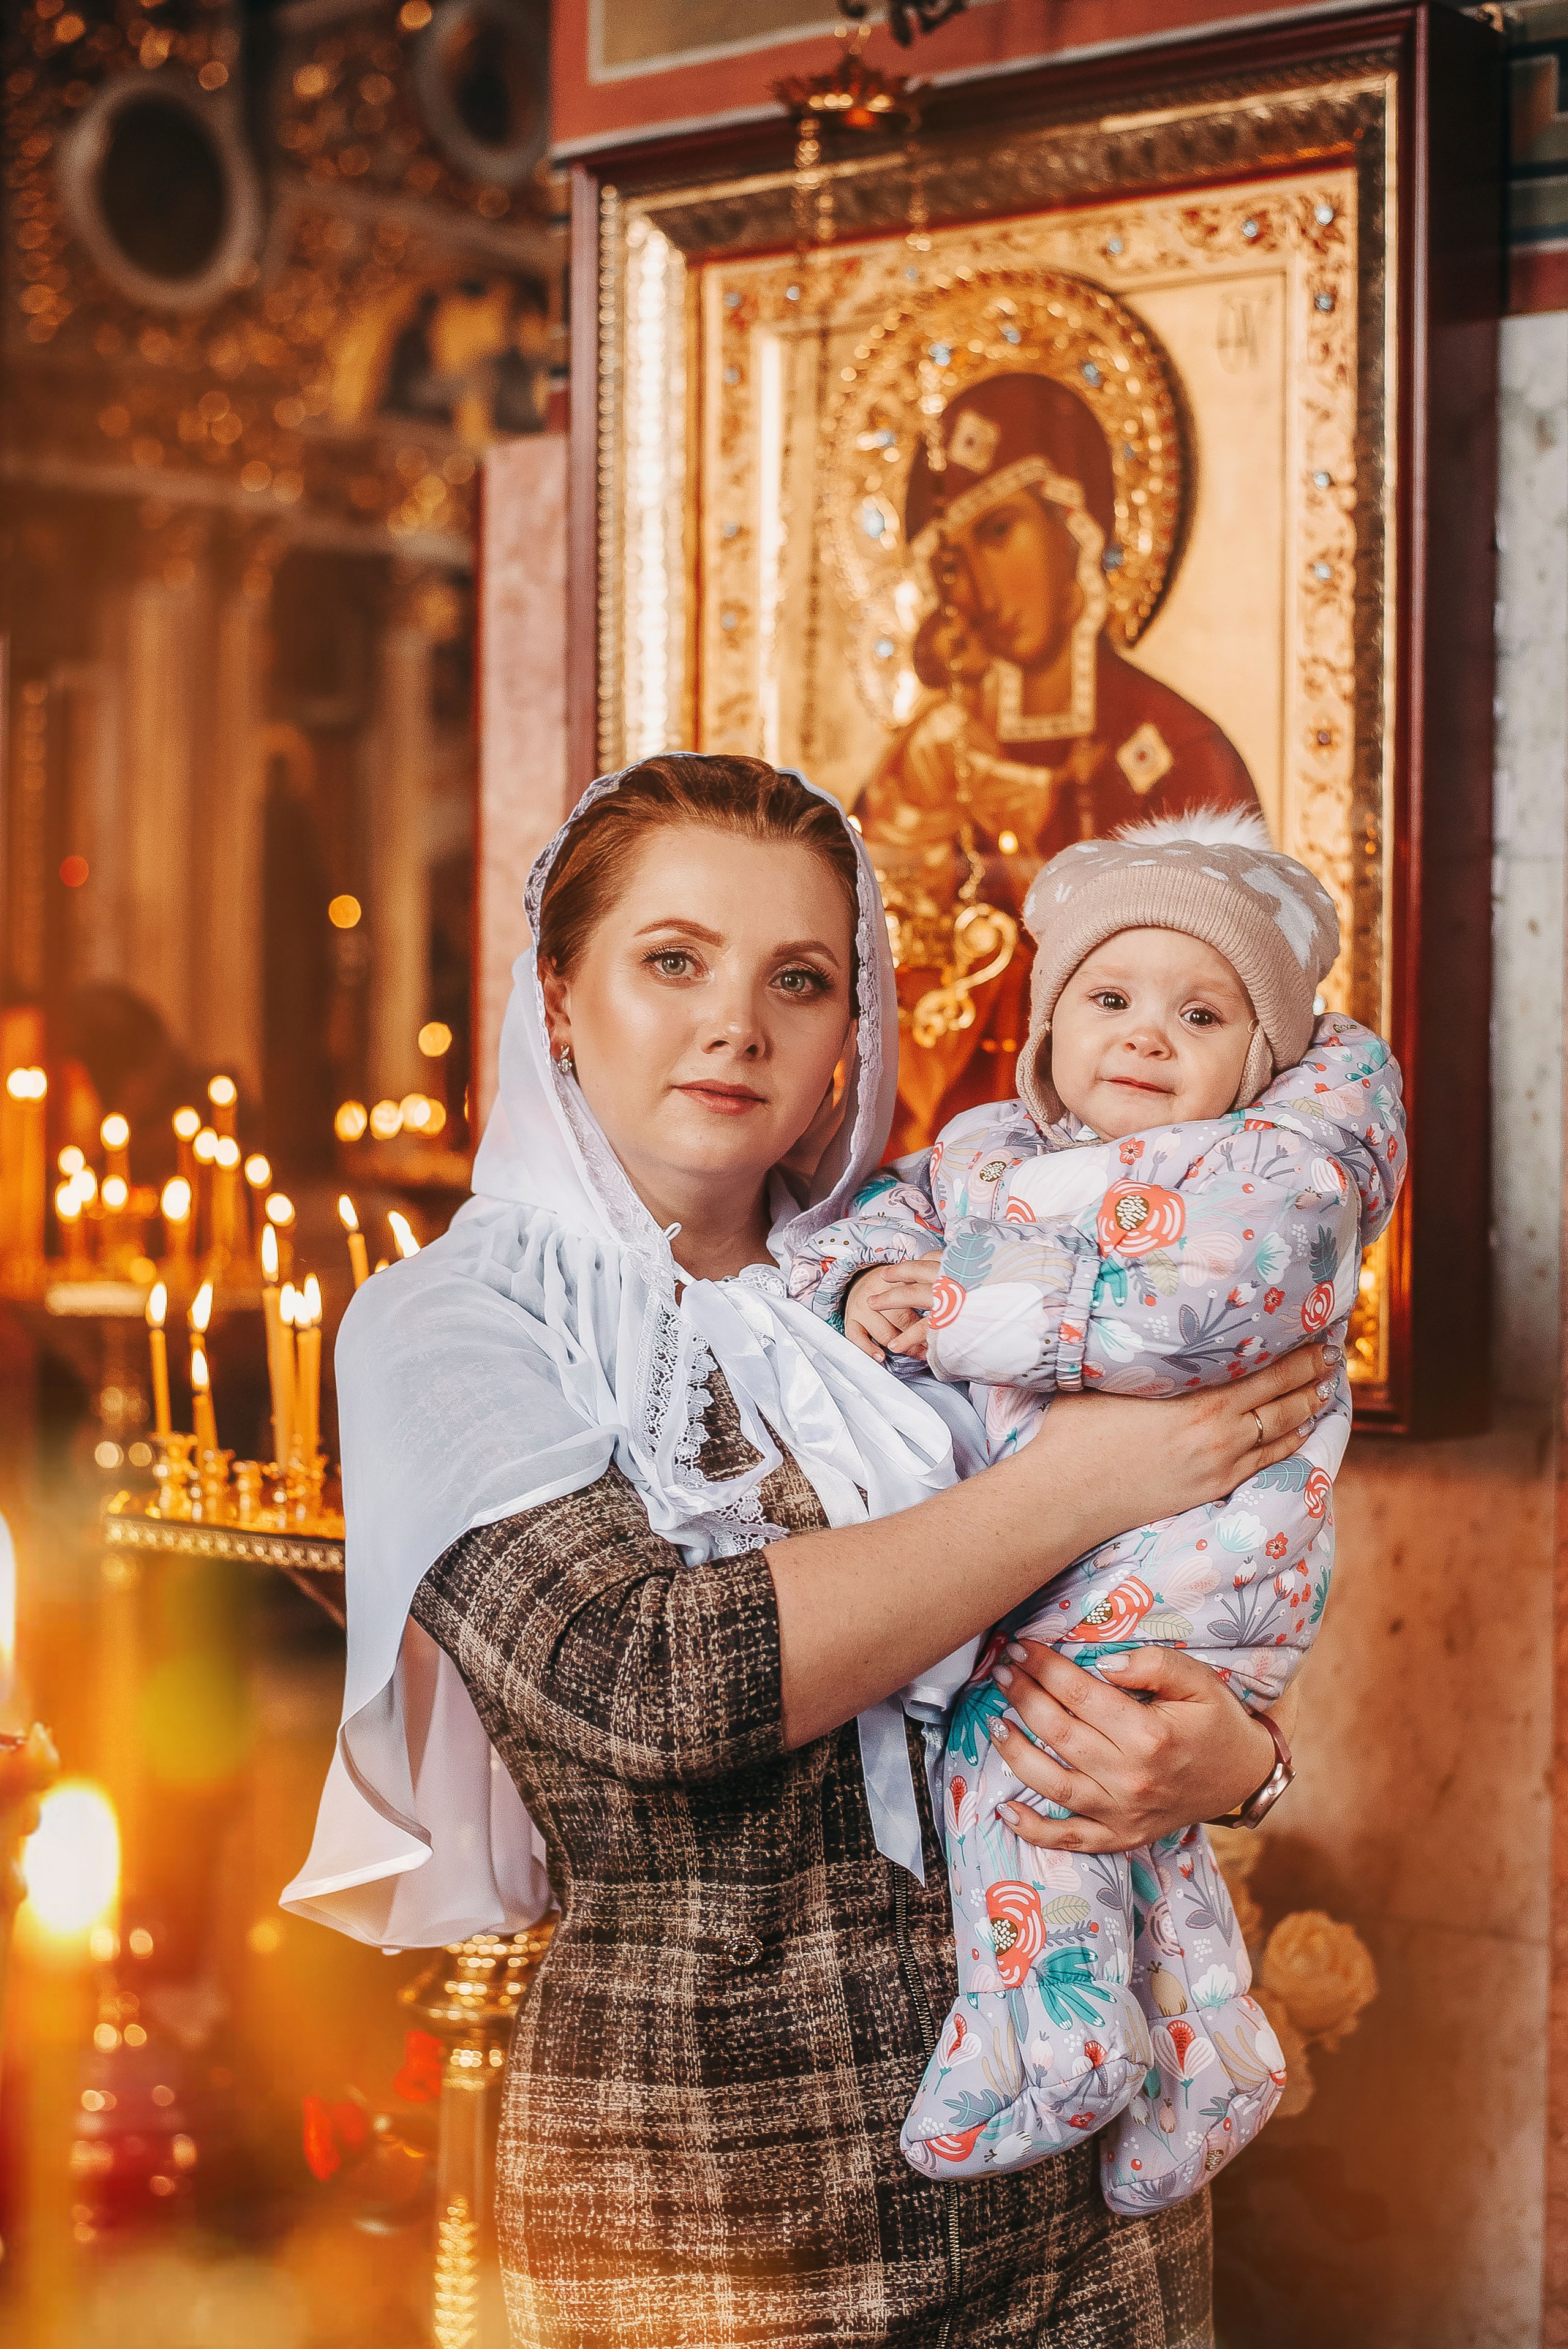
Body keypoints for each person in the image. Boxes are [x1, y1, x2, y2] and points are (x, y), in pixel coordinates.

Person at [282, 755, 1337, 2347]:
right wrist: (1089, 1474)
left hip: (1083, 2165)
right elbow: (653, 1684)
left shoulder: (952, 1258)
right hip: (723, 2196)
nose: (738, 1024)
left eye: (801, 978)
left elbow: (1169, 1584)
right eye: (673, 960)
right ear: (557, 992)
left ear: (858, 1030)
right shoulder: (449, 1323)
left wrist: (1237, 1762)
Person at [791, 811, 1405, 2214]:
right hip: (1103, 1558)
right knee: (1131, 1818)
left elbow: (1171, 1315)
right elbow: (875, 1220)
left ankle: (1048, 2039)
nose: (1141, 1034)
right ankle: (1203, 2050)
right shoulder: (987, 1151)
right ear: (1047, 1020)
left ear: (1252, 1061)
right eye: (1106, 998)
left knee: (1020, 1767)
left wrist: (942, 1313)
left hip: (1189, 1566)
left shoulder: (1260, 1176)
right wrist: (855, 1289)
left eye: (1197, 1012)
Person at [859, 372, 1262, 1154]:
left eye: (999, 531)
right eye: (953, 558)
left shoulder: (1178, 752)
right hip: (939, 1149)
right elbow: (866, 951)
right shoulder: (932, 753)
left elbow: (1217, 992)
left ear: (1073, 523)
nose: (976, 586)